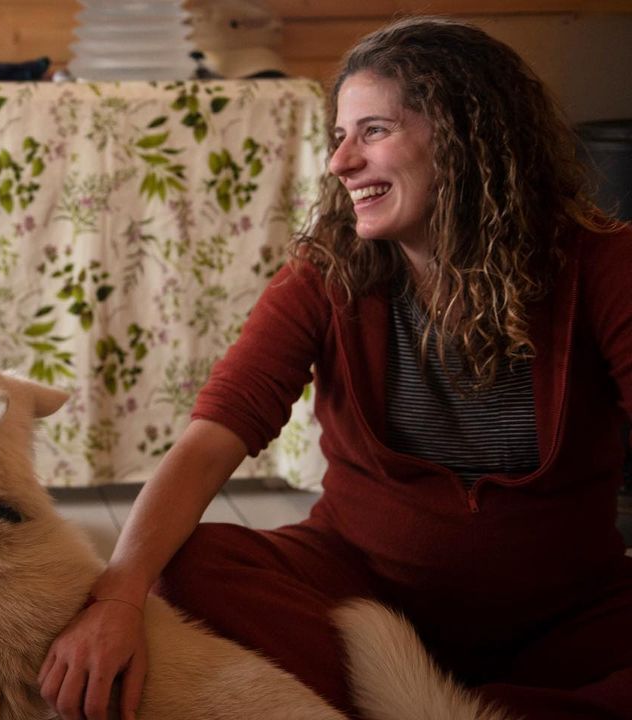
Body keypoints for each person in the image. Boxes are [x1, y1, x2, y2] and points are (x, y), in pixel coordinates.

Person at [38, 16, 632, 720]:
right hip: (363, 607)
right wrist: (117, 596)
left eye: (373, 131)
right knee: (191, 566)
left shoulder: (602, 263)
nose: (340, 162)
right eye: (339, 136)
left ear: (467, 136)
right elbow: (214, 436)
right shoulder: (327, 272)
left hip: (563, 618)